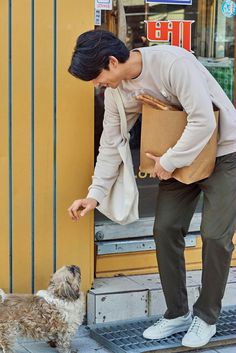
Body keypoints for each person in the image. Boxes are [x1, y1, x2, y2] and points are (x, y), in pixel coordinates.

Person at [67, 29, 236, 348]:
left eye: (96, 77)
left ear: (112, 62)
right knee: (165, 228)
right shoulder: (117, 92)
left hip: (224, 152)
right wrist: (95, 195)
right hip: (177, 157)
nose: (97, 85)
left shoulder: (173, 63)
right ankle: (177, 313)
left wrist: (169, 161)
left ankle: (206, 317)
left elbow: (203, 121)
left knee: (215, 235)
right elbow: (110, 142)